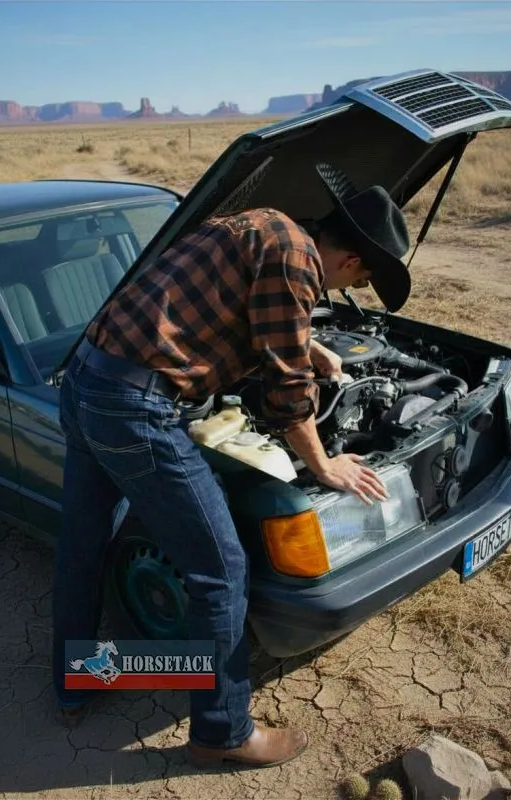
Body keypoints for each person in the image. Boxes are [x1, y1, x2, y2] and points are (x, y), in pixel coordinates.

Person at [52, 162, 411, 768]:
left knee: (84, 541)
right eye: (360, 279)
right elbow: (287, 393)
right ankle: (222, 731)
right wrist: (323, 464)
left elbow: (240, 314)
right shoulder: (299, 264)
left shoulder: (267, 222)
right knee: (219, 568)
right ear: (350, 262)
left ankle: (73, 684)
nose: (345, 288)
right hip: (135, 407)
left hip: (88, 376)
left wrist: (311, 343)